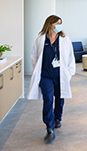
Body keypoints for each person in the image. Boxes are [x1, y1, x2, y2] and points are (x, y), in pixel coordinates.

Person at [27, 14, 76, 143]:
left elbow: (71, 57)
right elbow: (34, 57)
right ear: (50, 24)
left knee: (60, 98)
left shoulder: (65, 39)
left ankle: (57, 118)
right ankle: (50, 128)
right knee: (48, 99)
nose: (59, 25)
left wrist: (69, 73)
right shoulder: (41, 39)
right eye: (57, 23)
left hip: (60, 74)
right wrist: (36, 70)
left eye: (60, 23)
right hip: (46, 75)